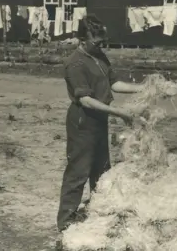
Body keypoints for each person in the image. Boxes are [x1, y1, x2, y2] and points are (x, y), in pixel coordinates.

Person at [56, 14, 146, 236]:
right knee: (79, 170)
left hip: (99, 119)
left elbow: (114, 84)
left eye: (103, 42)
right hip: (82, 120)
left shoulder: (99, 56)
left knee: (102, 169)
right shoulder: (75, 63)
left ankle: (99, 212)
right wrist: (119, 112)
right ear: (81, 40)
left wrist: (145, 88)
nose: (101, 46)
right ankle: (66, 221)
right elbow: (86, 100)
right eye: (97, 43)